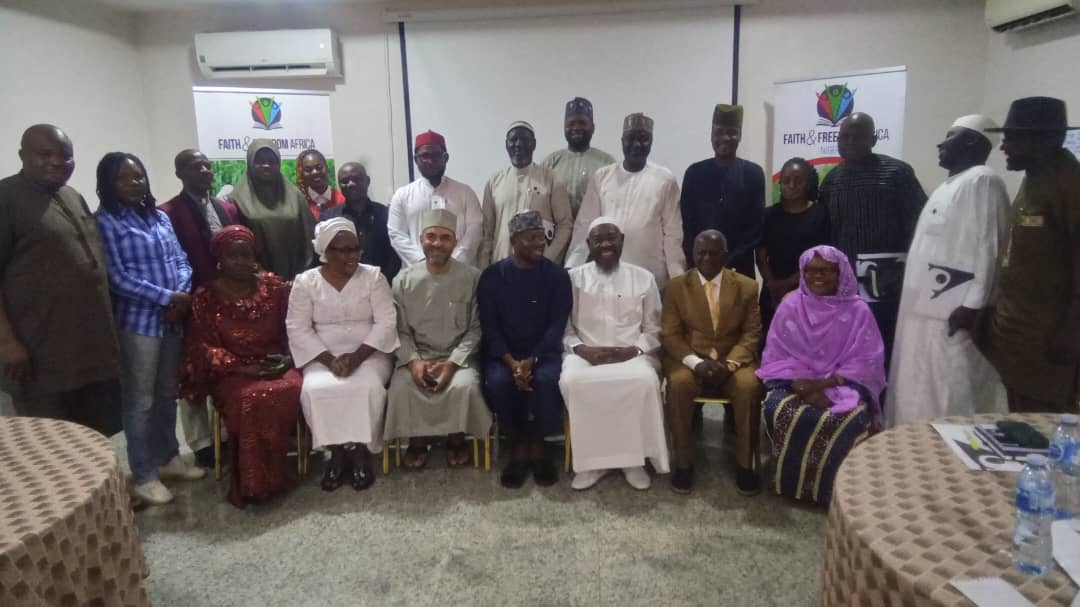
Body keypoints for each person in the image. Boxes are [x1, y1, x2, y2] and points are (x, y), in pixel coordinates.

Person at [95, 152, 203, 506]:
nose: (134, 183)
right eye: (124, 178)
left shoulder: (159, 217)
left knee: (167, 393)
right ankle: (143, 474)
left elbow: (181, 260)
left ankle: (169, 457)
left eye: (138, 176)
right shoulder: (106, 222)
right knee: (140, 400)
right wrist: (166, 298)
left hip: (173, 317)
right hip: (138, 323)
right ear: (108, 184)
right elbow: (116, 276)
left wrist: (181, 295)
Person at [887, 115, 1010, 426]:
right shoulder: (949, 185)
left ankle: (948, 445)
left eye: (950, 136)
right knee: (919, 378)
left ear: (971, 140)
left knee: (948, 381)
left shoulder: (982, 180)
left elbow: (988, 246)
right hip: (926, 304)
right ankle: (911, 439)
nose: (941, 144)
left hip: (953, 309)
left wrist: (973, 305)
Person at [0, 124, 121, 435]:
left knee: (93, 434)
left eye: (65, 156)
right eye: (45, 154)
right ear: (22, 156)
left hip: (89, 347)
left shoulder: (72, 195)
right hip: (41, 352)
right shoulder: (6, 197)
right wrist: (7, 342)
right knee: (51, 438)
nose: (57, 162)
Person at [182, 226, 301, 507]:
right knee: (250, 398)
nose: (240, 262)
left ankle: (277, 470)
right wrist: (240, 368)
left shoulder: (275, 288)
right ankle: (253, 482)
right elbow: (202, 347)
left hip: (276, 364)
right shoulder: (206, 297)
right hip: (232, 372)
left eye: (245, 255)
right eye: (232, 256)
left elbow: (296, 328)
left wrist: (289, 358)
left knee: (295, 386)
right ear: (219, 259)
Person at [757, 245, 886, 505]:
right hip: (794, 381)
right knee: (780, 408)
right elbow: (778, 354)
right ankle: (789, 483)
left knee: (849, 417)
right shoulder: (791, 304)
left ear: (840, 274)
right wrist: (800, 385)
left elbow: (867, 361)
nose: (818, 276)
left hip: (842, 383)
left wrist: (822, 385)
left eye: (827, 270)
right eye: (811, 270)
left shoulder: (858, 310)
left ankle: (832, 490)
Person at [982, 97, 1080, 413]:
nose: (1003, 147)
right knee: (1020, 422)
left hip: (1051, 342)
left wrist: (1072, 331)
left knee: (1047, 427)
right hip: (1020, 336)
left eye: (1012, 138)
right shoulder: (1034, 178)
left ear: (1045, 140)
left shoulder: (1070, 184)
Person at [286, 218, 398, 491]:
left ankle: (360, 452)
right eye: (344, 250)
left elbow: (386, 322)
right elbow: (297, 327)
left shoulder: (373, 277)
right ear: (325, 251)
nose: (353, 256)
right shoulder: (306, 282)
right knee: (315, 389)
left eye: (355, 249)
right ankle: (335, 453)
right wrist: (329, 360)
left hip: (370, 352)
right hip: (321, 355)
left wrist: (356, 357)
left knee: (367, 387)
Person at [560, 217, 669, 491]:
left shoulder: (643, 277)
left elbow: (654, 328)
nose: (606, 244)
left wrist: (633, 349)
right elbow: (564, 328)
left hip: (633, 355)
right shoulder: (573, 279)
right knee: (573, 381)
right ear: (589, 244)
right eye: (599, 240)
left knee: (645, 381)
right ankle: (593, 463)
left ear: (622, 240)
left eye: (612, 238)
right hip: (585, 355)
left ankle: (633, 462)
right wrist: (582, 349)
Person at [818, 112, 927, 369]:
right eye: (844, 136)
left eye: (858, 136)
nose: (850, 142)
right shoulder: (831, 180)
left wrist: (911, 272)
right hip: (844, 278)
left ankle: (882, 393)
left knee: (883, 342)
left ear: (874, 139)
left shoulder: (897, 172)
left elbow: (919, 223)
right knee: (845, 343)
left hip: (886, 278)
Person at [385, 209, 492, 468]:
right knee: (402, 388)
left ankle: (457, 438)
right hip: (417, 356)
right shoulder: (403, 280)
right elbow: (399, 330)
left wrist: (452, 364)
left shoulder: (472, 278)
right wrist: (414, 363)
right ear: (420, 240)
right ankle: (417, 440)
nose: (437, 243)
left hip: (459, 357)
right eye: (431, 236)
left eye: (445, 238)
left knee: (464, 386)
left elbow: (477, 328)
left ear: (455, 242)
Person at [661, 230, 762, 495]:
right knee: (678, 384)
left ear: (725, 255)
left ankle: (745, 465)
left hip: (732, 360)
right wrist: (696, 363)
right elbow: (670, 334)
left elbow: (751, 334)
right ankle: (683, 464)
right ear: (692, 254)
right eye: (701, 252)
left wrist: (730, 364)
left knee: (749, 386)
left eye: (713, 253)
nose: (706, 258)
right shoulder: (675, 287)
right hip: (690, 360)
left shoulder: (747, 286)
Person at [478, 210, 572, 489]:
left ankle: (539, 442)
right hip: (503, 353)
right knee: (497, 381)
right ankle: (517, 442)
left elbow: (557, 325)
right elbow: (490, 327)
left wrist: (532, 359)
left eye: (542, 237)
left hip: (544, 352)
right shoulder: (492, 276)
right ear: (513, 241)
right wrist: (512, 362)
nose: (540, 243)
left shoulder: (557, 276)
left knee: (546, 380)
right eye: (531, 238)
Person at [160, 148, 242, 468]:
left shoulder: (228, 208)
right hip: (192, 301)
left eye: (207, 166)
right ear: (179, 173)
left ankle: (226, 433)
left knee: (226, 365)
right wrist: (179, 296)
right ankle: (201, 442)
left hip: (229, 299)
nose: (205, 171)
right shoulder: (168, 213)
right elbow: (169, 259)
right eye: (196, 167)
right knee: (192, 370)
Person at [566, 113, 685, 290]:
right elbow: (585, 226)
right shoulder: (602, 177)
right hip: (607, 277)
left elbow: (673, 235)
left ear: (651, 142)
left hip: (652, 278)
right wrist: (572, 266)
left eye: (643, 139)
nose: (636, 144)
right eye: (631, 138)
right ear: (622, 141)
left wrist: (677, 277)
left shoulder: (665, 180)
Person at [680, 104, 766, 279]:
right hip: (700, 268)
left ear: (740, 135)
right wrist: (700, 261)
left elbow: (755, 229)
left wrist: (724, 263)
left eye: (732, 132)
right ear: (711, 135)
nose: (725, 138)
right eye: (719, 132)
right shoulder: (694, 173)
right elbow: (687, 225)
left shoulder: (753, 174)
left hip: (739, 271)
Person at [479, 121, 573, 266]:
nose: (518, 144)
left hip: (539, 267)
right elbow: (487, 232)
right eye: (513, 140)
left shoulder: (550, 178)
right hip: (501, 266)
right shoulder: (494, 182)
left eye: (524, 140)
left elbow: (565, 225)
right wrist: (484, 267)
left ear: (533, 144)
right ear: (506, 145)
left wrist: (547, 259)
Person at [754, 158, 831, 334]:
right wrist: (772, 284)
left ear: (808, 184)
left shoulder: (820, 214)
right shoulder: (769, 214)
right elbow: (761, 254)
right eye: (786, 180)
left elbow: (821, 256)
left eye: (798, 181)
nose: (791, 185)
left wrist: (788, 284)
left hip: (809, 289)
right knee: (772, 338)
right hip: (772, 291)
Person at [388, 130, 482, 267]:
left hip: (459, 272)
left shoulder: (465, 192)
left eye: (436, 155)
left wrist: (453, 263)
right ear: (416, 160)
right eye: (425, 156)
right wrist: (422, 263)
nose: (431, 161)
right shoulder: (402, 195)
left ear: (446, 158)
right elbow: (397, 235)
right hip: (417, 272)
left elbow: (475, 230)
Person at [229, 139, 315, 281]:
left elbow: (309, 237)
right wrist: (261, 274)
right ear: (250, 163)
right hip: (255, 281)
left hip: (297, 280)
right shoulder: (236, 200)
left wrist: (301, 276)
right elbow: (234, 247)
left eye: (272, 161)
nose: (266, 165)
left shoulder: (295, 196)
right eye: (260, 161)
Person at [320, 162, 401, 282]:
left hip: (381, 284)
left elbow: (395, 253)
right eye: (344, 181)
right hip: (342, 286)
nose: (350, 184)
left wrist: (381, 280)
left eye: (356, 179)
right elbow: (324, 256)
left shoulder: (386, 214)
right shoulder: (329, 218)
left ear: (367, 181)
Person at [541, 97, 617, 217]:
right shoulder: (550, 163)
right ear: (564, 127)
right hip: (558, 227)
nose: (576, 128)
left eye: (582, 123)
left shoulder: (607, 163)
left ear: (592, 127)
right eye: (571, 124)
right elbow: (541, 202)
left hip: (594, 227)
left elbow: (614, 203)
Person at [296, 149, 344, 220]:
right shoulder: (299, 203)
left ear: (327, 168)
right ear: (302, 174)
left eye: (319, 167)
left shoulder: (342, 199)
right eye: (308, 169)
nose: (315, 172)